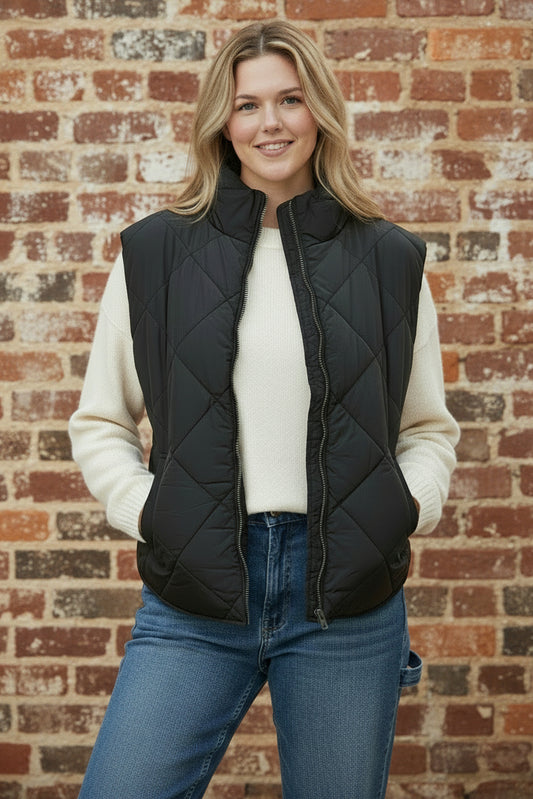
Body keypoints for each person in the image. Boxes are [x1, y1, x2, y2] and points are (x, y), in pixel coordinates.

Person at [69, 19, 459, 799]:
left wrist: (401, 508)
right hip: (196, 592)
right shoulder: (155, 253)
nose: (269, 122)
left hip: (346, 603)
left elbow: (425, 427)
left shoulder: (388, 257)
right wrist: (158, 512)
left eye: (289, 100)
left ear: (320, 113)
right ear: (223, 120)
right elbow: (101, 420)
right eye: (248, 105)